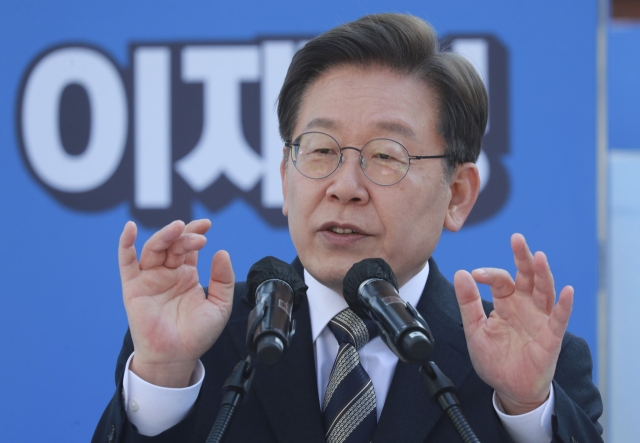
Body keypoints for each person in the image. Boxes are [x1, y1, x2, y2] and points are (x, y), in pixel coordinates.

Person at [93, 13, 603, 443]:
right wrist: (161, 379)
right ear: (285, 176)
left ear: (458, 194)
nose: (345, 186)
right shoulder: (202, 340)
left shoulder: (529, 364)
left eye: (385, 155)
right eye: (320, 150)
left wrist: (523, 407)